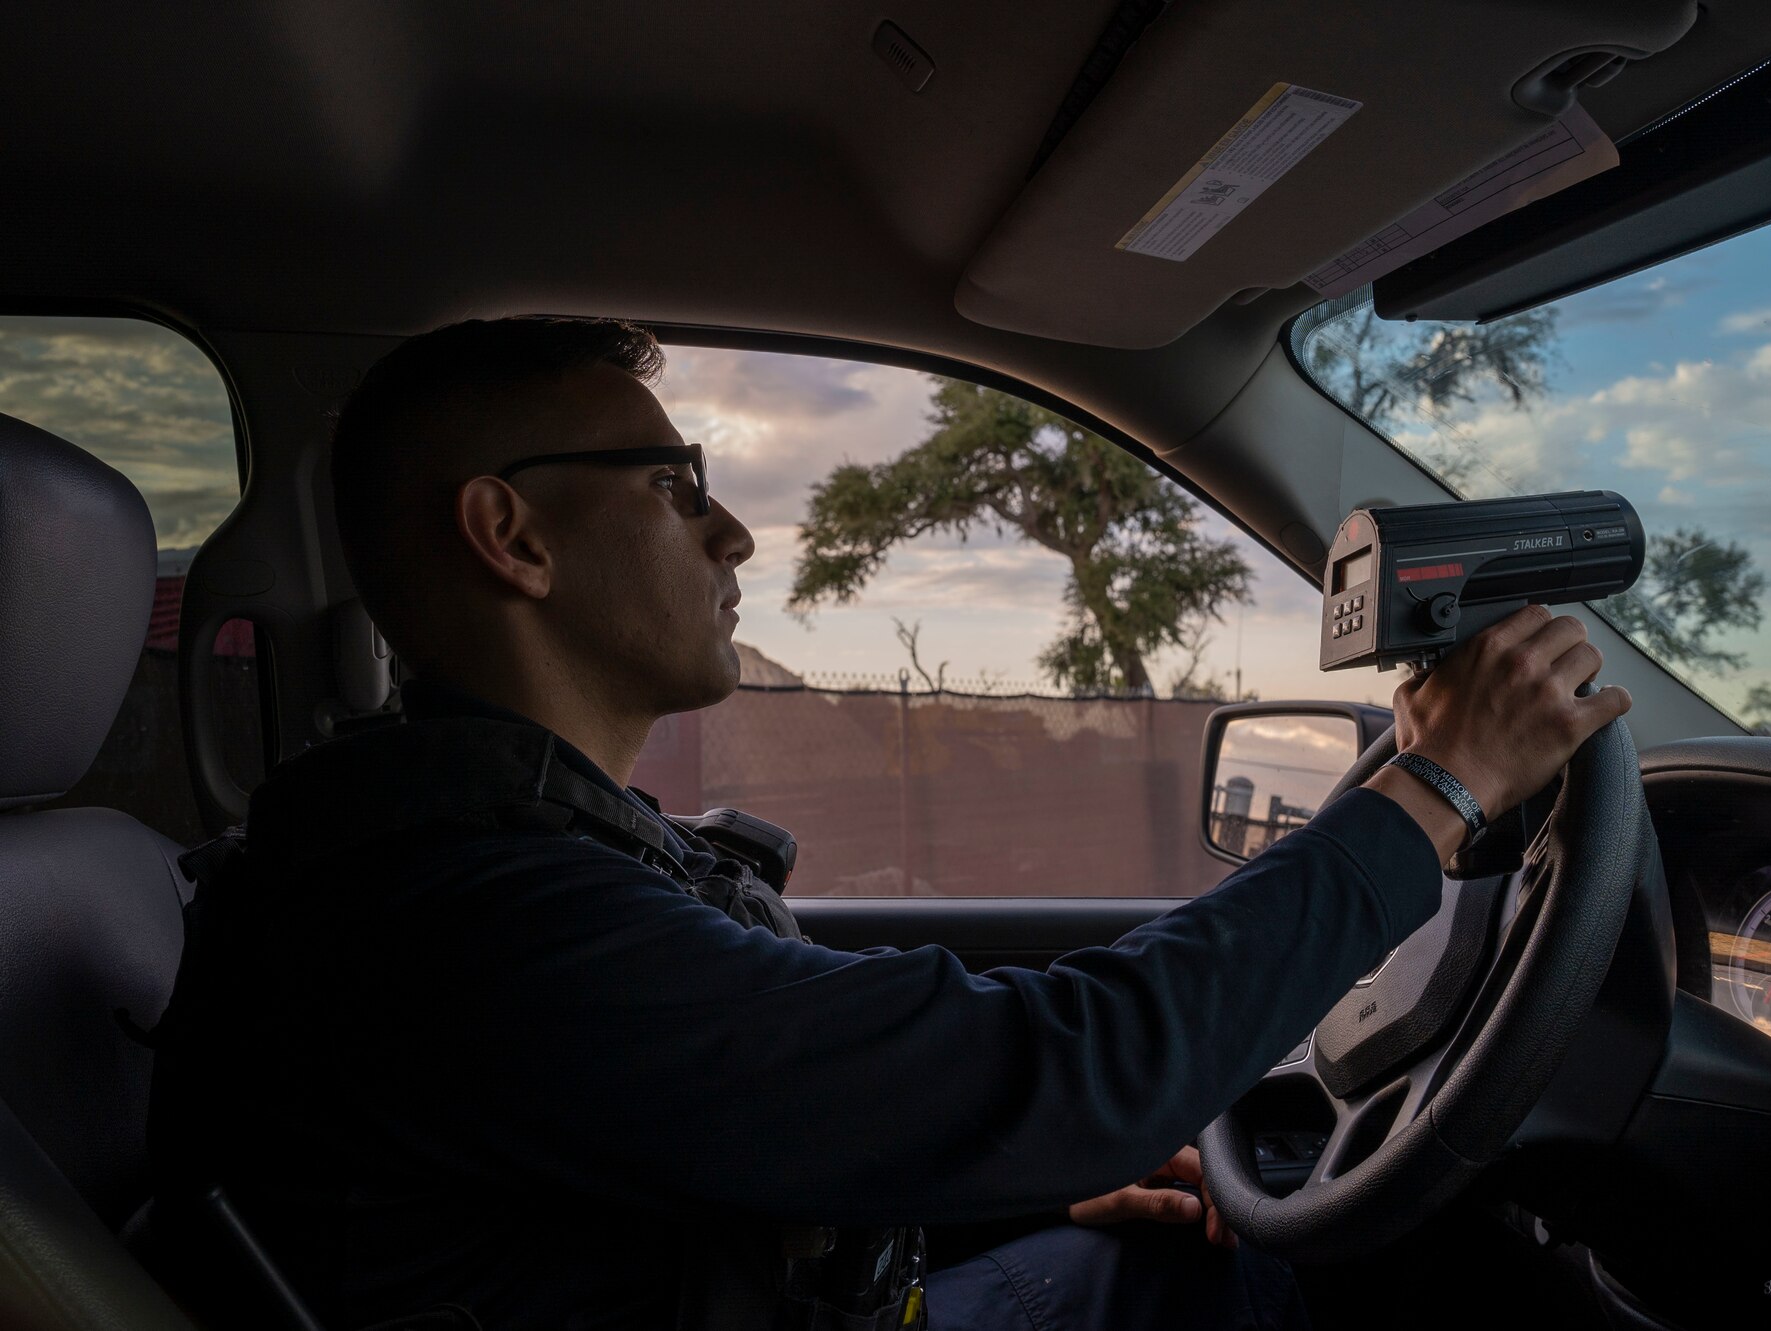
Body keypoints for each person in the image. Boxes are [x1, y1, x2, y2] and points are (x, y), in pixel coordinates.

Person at [147, 317, 1631, 1331]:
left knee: (1168, 1254)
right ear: (512, 534)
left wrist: (992, 1175)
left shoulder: (501, 857)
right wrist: (1431, 788)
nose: (732, 533)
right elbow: (1053, 1068)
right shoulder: (469, 915)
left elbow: (731, 1139)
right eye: (674, 488)